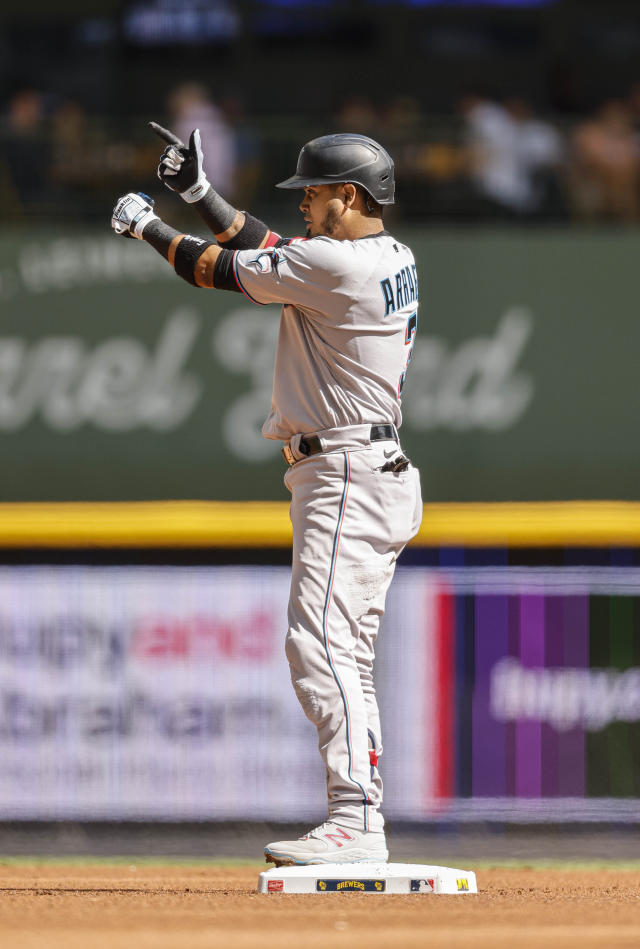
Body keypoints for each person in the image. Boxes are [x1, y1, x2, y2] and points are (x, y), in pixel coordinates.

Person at [111, 127, 423, 866]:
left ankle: (354, 821)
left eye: (315, 191)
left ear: (349, 196)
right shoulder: (389, 256)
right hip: (370, 468)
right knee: (343, 649)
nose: (306, 202)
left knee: (316, 642)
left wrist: (145, 223)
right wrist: (198, 195)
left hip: (345, 470)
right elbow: (275, 245)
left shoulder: (331, 265)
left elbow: (216, 267)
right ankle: (361, 816)